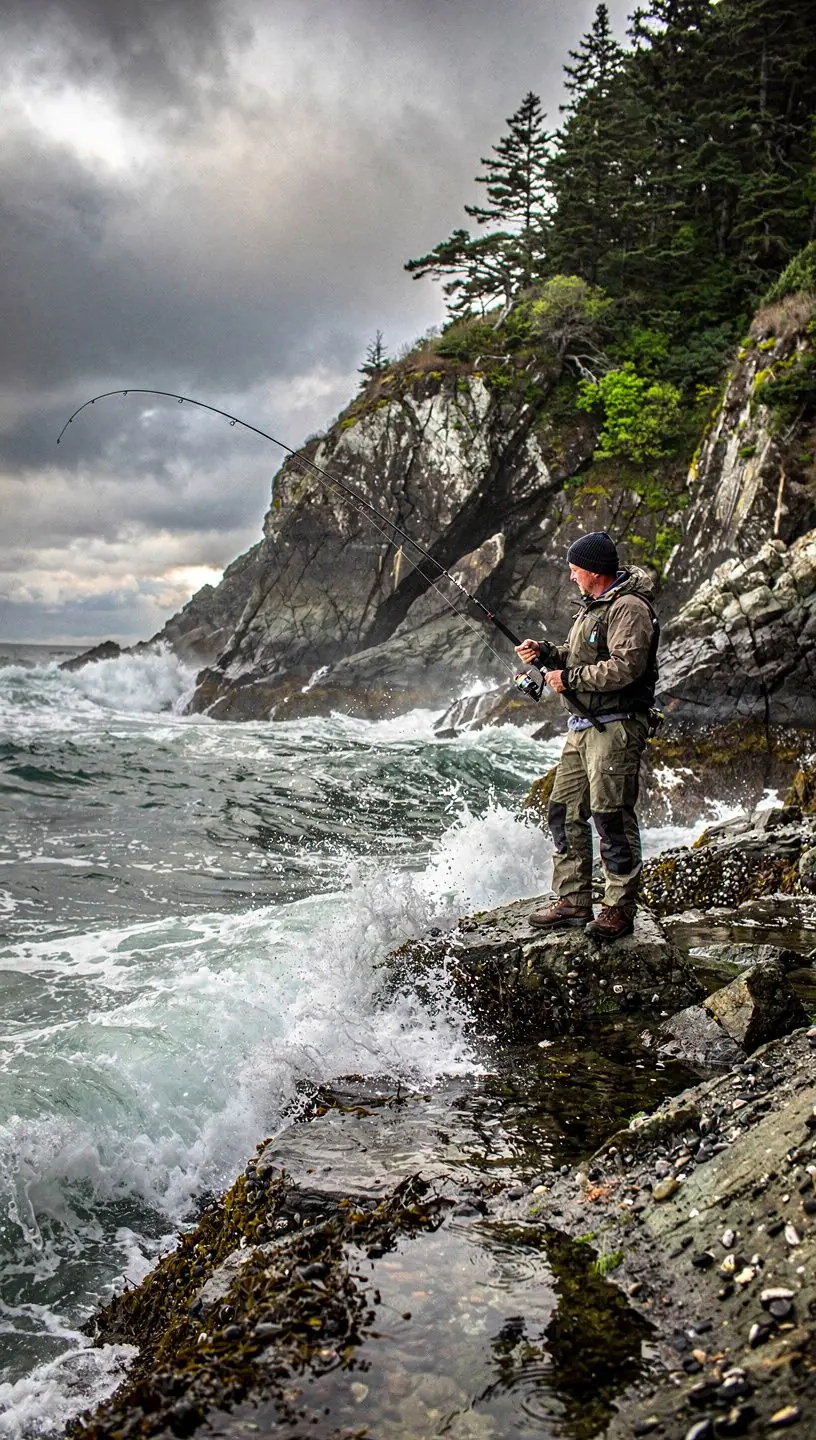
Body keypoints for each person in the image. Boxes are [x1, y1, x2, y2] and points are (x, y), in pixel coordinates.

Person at [515, 531, 659, 942]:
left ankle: (618, 908)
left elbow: (625, 667)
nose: (571, 576)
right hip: (582, 728)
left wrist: (569, 678)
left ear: (593, 571)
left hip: (615, 727)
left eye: (575, 568)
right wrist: (545, 654)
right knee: (563, 810)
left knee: (611, 817)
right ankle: (574, 900)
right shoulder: (594, 606)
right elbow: (578, 656)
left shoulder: (628, 607)